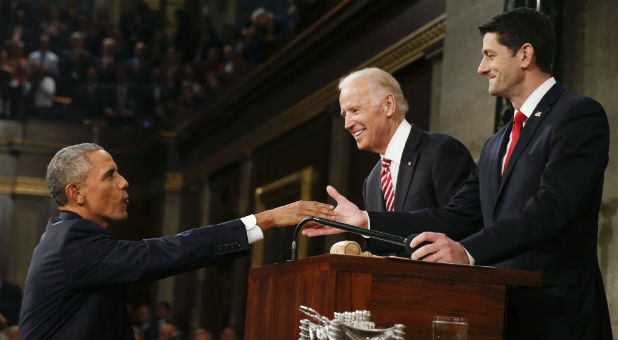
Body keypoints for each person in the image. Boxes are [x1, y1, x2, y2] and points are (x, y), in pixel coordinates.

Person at [303, 8, 612, 339]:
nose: (481, 68)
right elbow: (458, 215)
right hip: (502, 316)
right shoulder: (496, 143)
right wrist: (367, 221)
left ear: (524, 55)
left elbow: (552, 208)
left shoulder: (577, 115)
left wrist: (467, 252)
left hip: (560, 317)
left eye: (490, 55)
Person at [19, 143, 334, 340]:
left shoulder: (68, 237)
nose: (124, 182)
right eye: (110, 175)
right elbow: (168, 252)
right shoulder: (72, 241)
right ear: (77, 193)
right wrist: (265, 219)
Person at [337, 67, 474, 256]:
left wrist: (369, 221)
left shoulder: (441, 150)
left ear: (388, 105)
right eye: (345, 115)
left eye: (355, 110)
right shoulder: (372, 181)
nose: (347, 124)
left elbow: (463, 220)